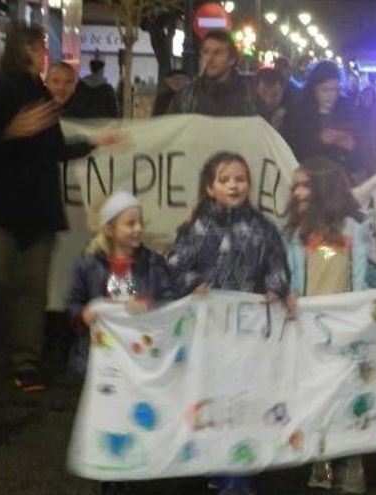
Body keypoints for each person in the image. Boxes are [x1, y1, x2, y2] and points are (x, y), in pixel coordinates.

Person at [0, 24, 116, 393]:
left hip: (40, 210)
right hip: (2, 210)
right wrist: (11, 133)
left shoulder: (40, 93)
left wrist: (94, 142)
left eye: (43, 47)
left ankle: (26, 363)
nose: (43, 54)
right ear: (20, 50)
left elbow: (54, 149)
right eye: (36, 47)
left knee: (33, 290)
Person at [166, 152, 289, 495]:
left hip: (249, 332)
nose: (234, 185)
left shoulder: (263, 228)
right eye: (225, 180)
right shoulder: (196, 228)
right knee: (211, 394)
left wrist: (276, 286)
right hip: (207, 332)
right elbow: (174, 266)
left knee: (245, 393)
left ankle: (240, 466)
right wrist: (192, 281)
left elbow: (277, 264)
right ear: (210, 188)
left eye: (240, 179)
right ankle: (213, 461)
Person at [284, 158, 376, 494]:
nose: (298, 192)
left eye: (305, 185)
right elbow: (285, 274)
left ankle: (350, 463)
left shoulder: (352, 228)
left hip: (348, 328)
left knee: (349, 394)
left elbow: (373, 269)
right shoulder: (292, 233)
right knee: (317, 395)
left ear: (325, 188)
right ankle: (321, 460)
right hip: (310, 330)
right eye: (295, 186)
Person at [66, 191, 176, 375]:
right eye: (130, 223)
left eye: (140, 222)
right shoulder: (89, 264)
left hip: (141, 357)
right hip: (97, 358)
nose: (138, 228)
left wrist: (149, 305)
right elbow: (74, 303)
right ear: (109, 230)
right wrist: (82, 316)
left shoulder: (154, 264)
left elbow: (170, 302)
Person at [282, 61, 362, 182]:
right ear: (314, 89)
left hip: (338, 181)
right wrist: (319, 141)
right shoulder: (298, 115)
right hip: (309, 180)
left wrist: (351, 147)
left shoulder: (345, 111)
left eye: (335, 90)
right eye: (325, 90)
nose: (331, 96)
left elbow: (357, 156)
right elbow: (290, 150)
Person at [166, 30, 257, 116]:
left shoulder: (250, 95)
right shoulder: (186, 96)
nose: (210, 59)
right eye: (206, 52)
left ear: (232, 59)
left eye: (217, 53)